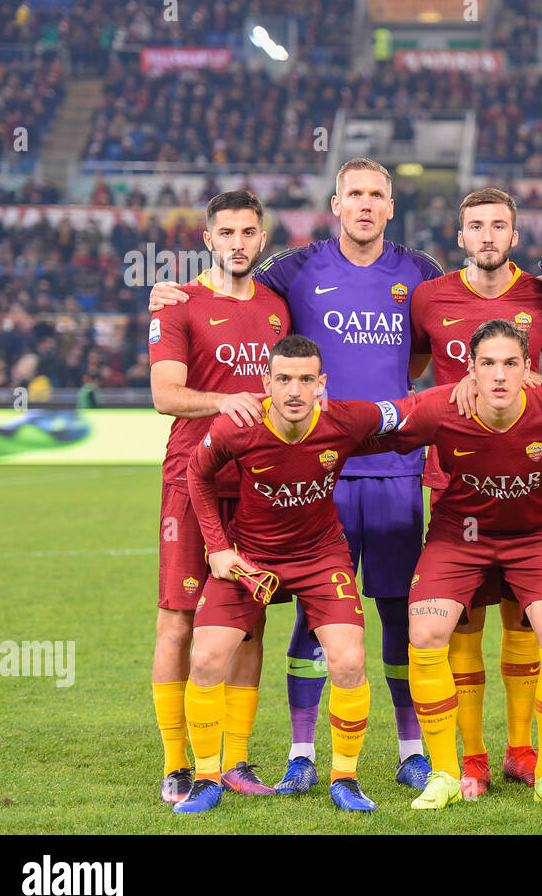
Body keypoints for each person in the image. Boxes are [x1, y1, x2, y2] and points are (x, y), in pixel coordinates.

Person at [150, 158, 443, 792]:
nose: (364, 205)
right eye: (353, 194)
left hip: (385, 467)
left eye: (376, 195)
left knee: (393, 611)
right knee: (265, 615)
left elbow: (425, 349)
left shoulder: (417, 271)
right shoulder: (293, 271)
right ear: (333, 205)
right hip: (286, 471)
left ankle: (405, 750)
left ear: (391, 206)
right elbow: (209, 313)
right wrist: (166, 290)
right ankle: (270, 756)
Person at [178, 334, 415, 813]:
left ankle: (344, 778)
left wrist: (468, 389)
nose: (294, 390)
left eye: (306, 379)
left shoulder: (344, 418)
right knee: (204, 658)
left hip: (321, 556)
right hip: (251, 557)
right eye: (283, 379)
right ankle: (206, 778)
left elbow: (409, 412)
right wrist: (218, 549)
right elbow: (196, 473)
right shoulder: (237, 426)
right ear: (267, 382)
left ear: (321, 384)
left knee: (349, 661)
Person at [382, 319, 542, 810]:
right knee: (425, 635)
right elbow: (369, 426)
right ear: (471, 370)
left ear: (529, 369)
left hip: (533, 536)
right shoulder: (440, 406)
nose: (500, 375)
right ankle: (452, 769)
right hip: (458, 537)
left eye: (511, 363)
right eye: (488, 364)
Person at [408, 188, 542, 798]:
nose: (487, 236)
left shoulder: (541, 294)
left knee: (525, 623)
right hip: (455, 483)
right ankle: (473, 760)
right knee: (462, 623)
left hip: (523, 480)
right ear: (460, 237)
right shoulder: (430, 297)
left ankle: (522, 751)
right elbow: (406, 374)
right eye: (475, 226)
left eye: (498, 226)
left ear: (514, 234)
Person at [148, 190, 290, 802]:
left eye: (248, 232)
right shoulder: (178, 306)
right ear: (207, 238)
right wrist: (223, 401)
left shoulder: (279, 310)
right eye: (226, 232)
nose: (237, 242)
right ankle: (178, 762)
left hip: (259, 488)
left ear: (262, 240)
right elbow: (165, 395)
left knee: (249, 625)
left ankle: (236, 761)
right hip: (192, 480)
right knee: (178, 621)